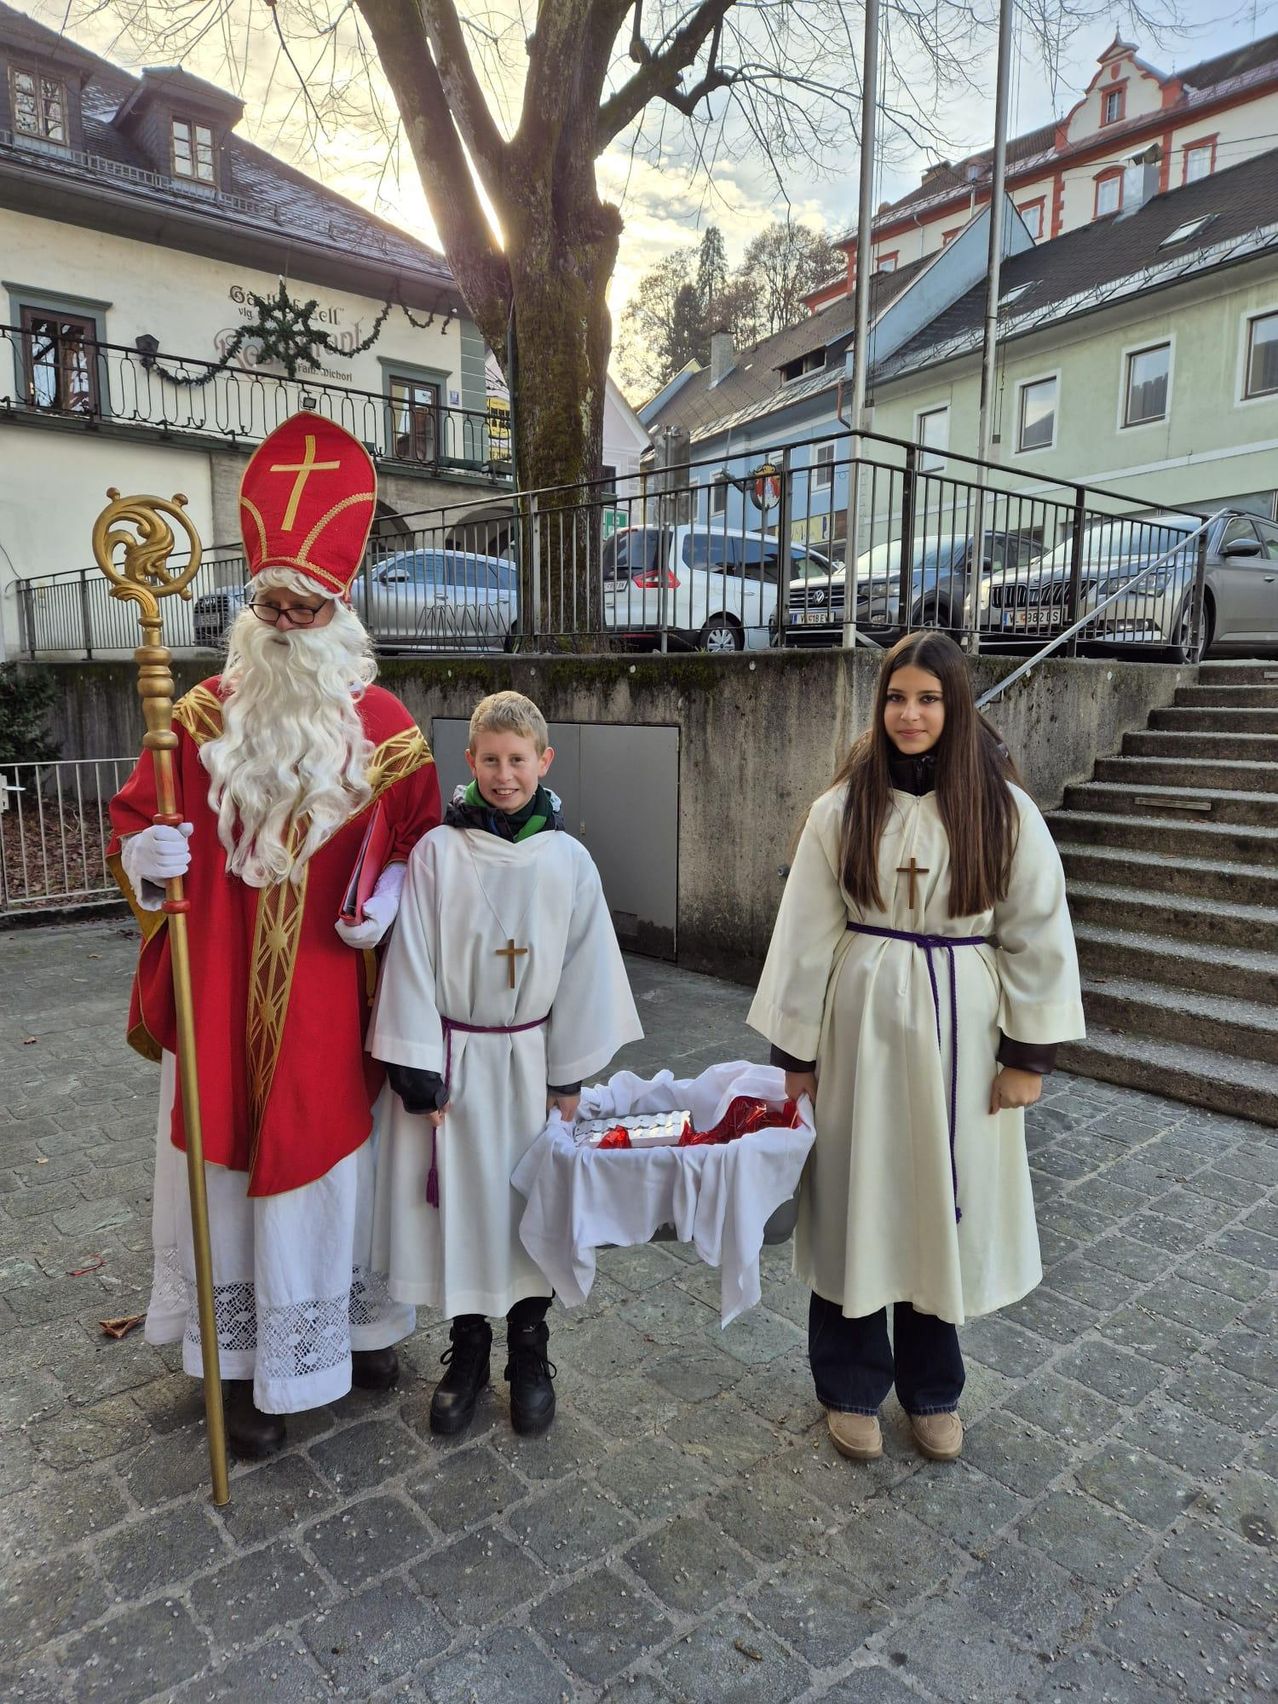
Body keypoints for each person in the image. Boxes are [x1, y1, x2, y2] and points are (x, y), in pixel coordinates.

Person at [108, 414, 441, 1458]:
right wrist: (145, 864)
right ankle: (249, 1366)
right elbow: (136, 816)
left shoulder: (387, 732)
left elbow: (426, 854)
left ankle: (356, 1324)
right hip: (219, 993)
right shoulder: (201, 718)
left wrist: (390, 898)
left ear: (342, 610)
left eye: (309, 603)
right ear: (250, 606)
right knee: (232, 1170)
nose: (289, 619)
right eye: (272, 602)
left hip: (336, 1006)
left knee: (345, 1167)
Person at [748, 630, 1084, 1465]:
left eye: (928, 699)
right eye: (897, 697)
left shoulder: (1000, 808)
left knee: (943, 1201)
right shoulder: (843, 809)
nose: (910, 713)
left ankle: (934, 1387)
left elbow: (1038, 930)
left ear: (955, 704)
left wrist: (1027, 1057)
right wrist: (796, 1055)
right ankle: (851, 1384)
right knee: (860, 1197)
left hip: (962, 1036)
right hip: (858, 1034)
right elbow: (803, 936)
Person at [368, 690, 642, 1437]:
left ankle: (528, 1351)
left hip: (530, 1060)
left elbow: (587, 969)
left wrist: (568, 1074)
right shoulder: (437, 853)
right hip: (456, 1063)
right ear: (470, 762)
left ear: (543, 762)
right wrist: (414, 1060)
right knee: (464, 1207)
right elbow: (412, 955)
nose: (504, 773)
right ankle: (466, 1355)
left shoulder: (569, 860)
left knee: (529, 1210)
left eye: (517, 759)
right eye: (490, 759)